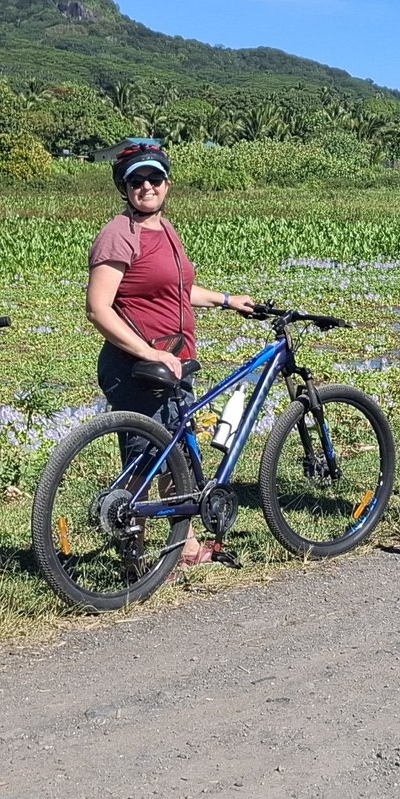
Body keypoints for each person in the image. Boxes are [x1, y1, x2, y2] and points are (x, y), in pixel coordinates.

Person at [84, 142, 256, 565]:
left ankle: (186, 547)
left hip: (173, 361)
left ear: (167, 183)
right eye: (136, 180)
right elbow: (98, 307)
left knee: (172, 453)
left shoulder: (164, 229)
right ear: (123, 188)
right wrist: (149, 352)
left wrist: (226, 299)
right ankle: (136, 558)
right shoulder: (118, 234)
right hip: (139, 365)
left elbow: (175, 291)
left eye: (154, 178)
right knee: (144, 463)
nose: (147, 187)